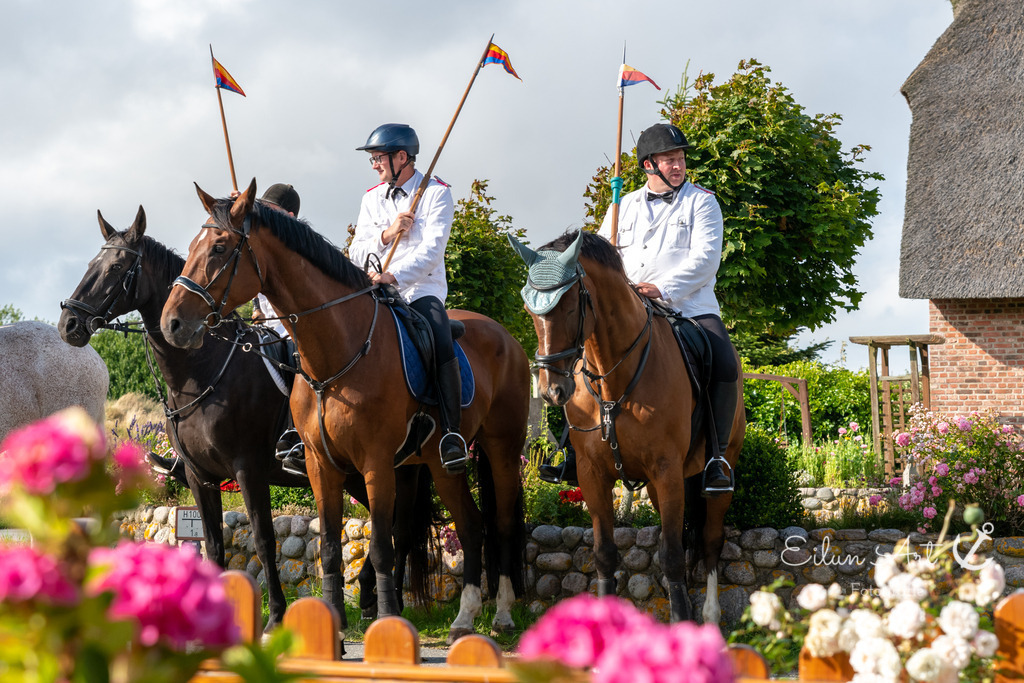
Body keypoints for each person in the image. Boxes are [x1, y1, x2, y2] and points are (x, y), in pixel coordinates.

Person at [545, 123, 738, 496]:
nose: (678, 165)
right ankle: (571, 449)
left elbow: (706, 259)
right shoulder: (624, 205)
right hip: (628, 311)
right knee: (579, 358)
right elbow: (601, 260)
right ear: (649, 164)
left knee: (724, 360)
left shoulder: (702, 202)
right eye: (669, 159)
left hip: (687, 307)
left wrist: (662, 288)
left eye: (680, 158)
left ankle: (716, 457)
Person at [348, 123, 467, 473]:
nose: (374, 165)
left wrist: (394, 275)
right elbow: (356, 251)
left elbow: (432, 251)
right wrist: (387, 234)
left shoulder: (437, 193)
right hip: (375, 288)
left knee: (437, 332)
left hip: (420, 290)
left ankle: (452, 433)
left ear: (402, 157)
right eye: (372, 159)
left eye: (378, 158)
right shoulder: (371, 198)